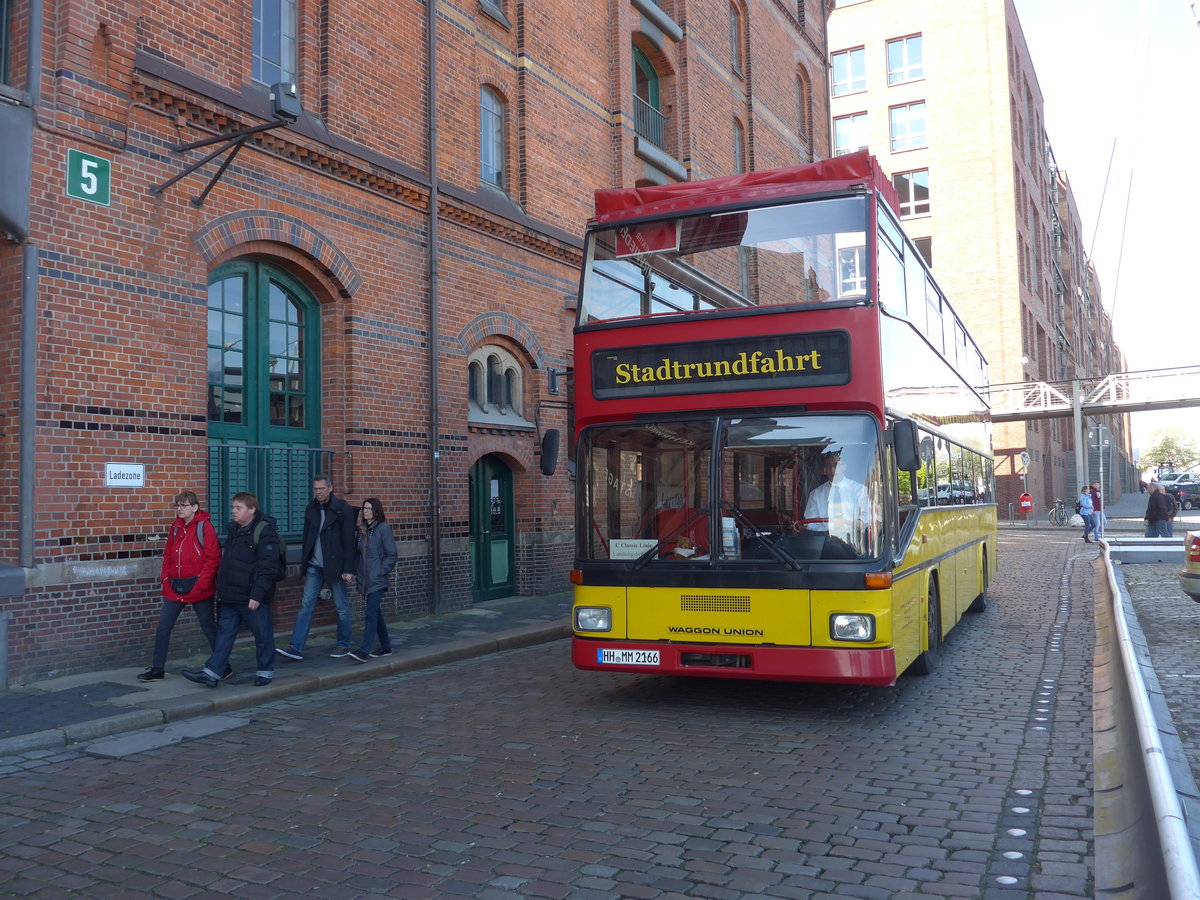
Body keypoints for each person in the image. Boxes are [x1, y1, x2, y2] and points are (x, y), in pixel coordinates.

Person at [183, 492, 281, 687]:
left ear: (251, 510)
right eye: (233, 507)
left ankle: (265, 671)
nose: (233, 511)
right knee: (225, 634)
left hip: (252, 596)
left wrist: (257, 595)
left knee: (262, 634)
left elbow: (268, 567)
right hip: (230, 595)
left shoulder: (265, 532)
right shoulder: (234, 530)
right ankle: (212, 673)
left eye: (239, 508)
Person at [138, 491, 223, 682]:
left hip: (199, 588)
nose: (179, 509)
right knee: (163, 628)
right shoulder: (175, 528)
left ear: (194, 507)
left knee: (209, 627)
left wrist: (201, 584)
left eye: (183, 505)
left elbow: (213, 558)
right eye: (177, 505)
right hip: (174, 586)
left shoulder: (205, 527)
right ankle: (158, 668)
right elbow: (168, 554)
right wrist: (165, 578)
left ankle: (222, 666)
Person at [276, 476, 357, 660]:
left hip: (335, 566)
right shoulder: (311, 508)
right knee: (306, 606)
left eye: (321, 488)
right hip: (314, 565)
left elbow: (349, 542)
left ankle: (343, 645)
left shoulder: (342, 509)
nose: (318, 492)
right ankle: (296, 647)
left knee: (341, 607)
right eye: (316, 489)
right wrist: (305, 565)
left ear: (330, 488)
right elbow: (307, 538)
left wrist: (348, 569)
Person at [347, 498, 398, 663]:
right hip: (364, 580)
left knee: (370, 614)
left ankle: (364, 650)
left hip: (377, 580)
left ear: (377, 511)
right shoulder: (362, 531)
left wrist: (380, 572)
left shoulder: (383, 529)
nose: (366, 511)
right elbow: (357, 555)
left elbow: (392, 555)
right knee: (376, 613)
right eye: (364, 509)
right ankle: (386, 646)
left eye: (369, 508)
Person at [803, 448, 869, 537]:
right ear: (825, 469)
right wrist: (828, 532)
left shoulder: (859, 490)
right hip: (825, 541)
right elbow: (810, 523)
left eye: (836, 465)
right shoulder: (816, 494)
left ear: (845, 466)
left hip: (853, 541)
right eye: (828, 465)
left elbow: (869, 515)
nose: (832, 470)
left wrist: (860, 521)